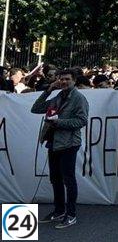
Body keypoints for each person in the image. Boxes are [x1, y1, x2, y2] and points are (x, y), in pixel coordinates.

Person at [30, 68, 88, 229]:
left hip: (69, 143)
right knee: (55, 178)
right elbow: (35, 108)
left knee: (69, 179)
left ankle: (71, 214)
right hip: (54, 142)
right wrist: (48, 90)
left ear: (74, 80)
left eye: (67, 79)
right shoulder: (57, 97)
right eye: (61, 79)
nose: (64, 82)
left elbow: (82, 121)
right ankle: (59, 210)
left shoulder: (79, 99)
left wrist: (59, 123)